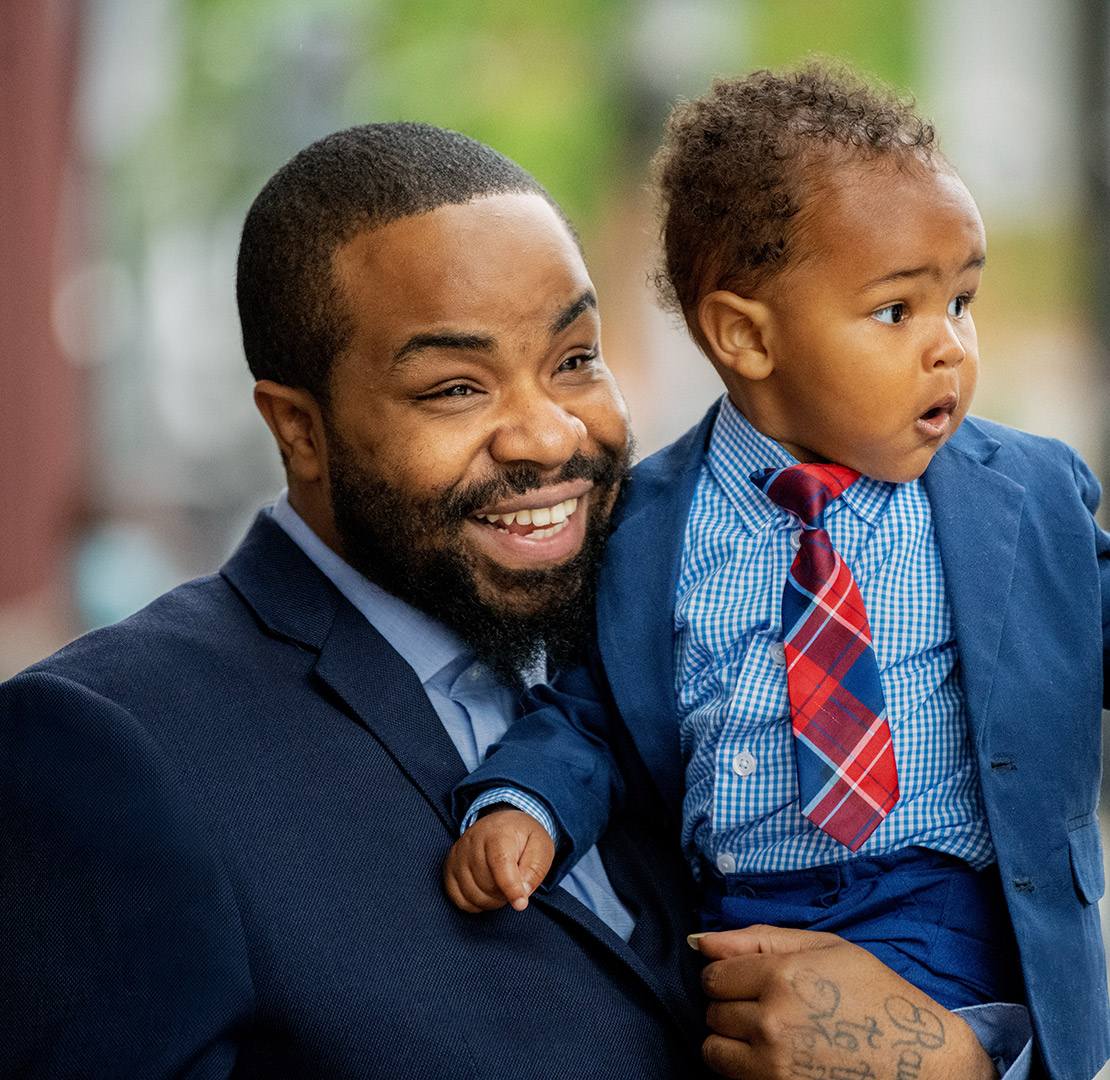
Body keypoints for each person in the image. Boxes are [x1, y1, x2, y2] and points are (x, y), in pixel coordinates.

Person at [0, 122, 713, 1078]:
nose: (548, 437)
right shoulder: (109, 747)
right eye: (457, 387)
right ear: (299, 430)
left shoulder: (677, 634)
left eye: (575, 359)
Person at [445, 65, 1110, 1080]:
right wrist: (525, 806)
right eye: (897, 313)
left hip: (951, 912)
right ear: (747, 335)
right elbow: (590, 721)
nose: (950, 349)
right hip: (738, 929)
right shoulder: (641, 527)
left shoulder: (1027, 493)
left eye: (963, 302)